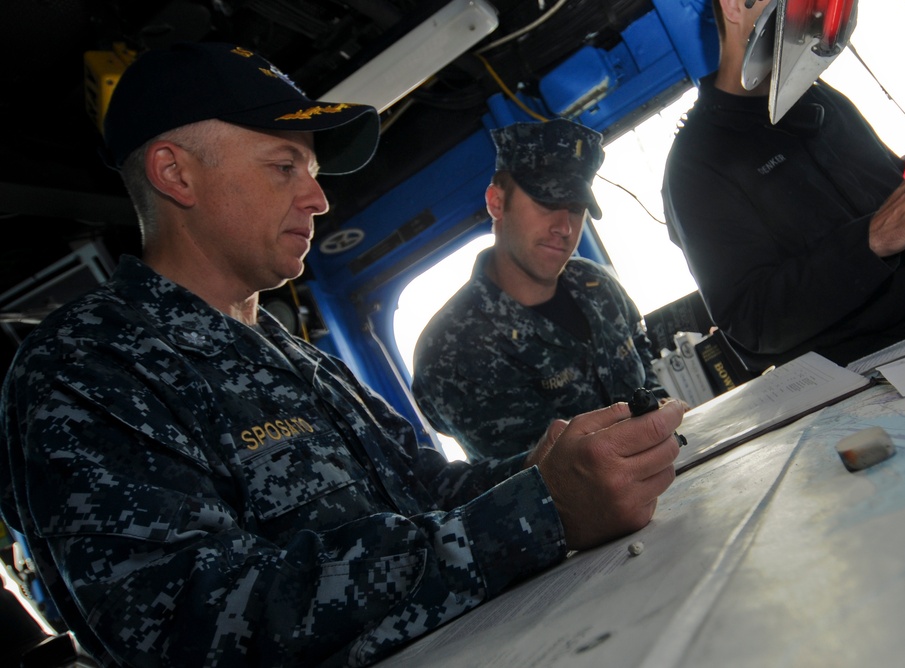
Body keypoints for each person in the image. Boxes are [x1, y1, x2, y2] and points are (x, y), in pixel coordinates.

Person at [0, 43, 685, 667]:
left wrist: (555, 467)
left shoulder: (291, 353)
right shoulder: (86, 368)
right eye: (283, 167)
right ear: (176, 174)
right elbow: (194, 625)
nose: (319, 198)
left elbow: (425, 490)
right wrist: (539, 513)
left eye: (314, 171)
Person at [662, 0, 905, 372]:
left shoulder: (824, 99)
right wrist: (871, 240)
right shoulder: (696, 164)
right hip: (877, 379)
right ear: (736, 6)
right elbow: (753, 323)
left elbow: (904, 210)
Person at [411, 119, 669, 462]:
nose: (564, 227)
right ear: (497, 202)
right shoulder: (450, 350)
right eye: (547, 203)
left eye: (576, 209)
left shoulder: (596, 285)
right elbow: (527, 479)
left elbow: (643, 360)